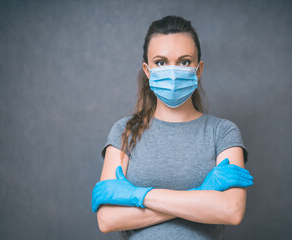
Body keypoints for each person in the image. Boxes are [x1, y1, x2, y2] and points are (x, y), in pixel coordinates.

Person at [91, 15, 254, 240]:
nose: (173, 71)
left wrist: (136, 196)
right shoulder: (124, 132)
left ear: (198, 69)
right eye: (161, 62)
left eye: (184, 61)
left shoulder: (223, 132)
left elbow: (231, 211)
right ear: (148, 71)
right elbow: (108, 219)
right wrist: (201, 196)